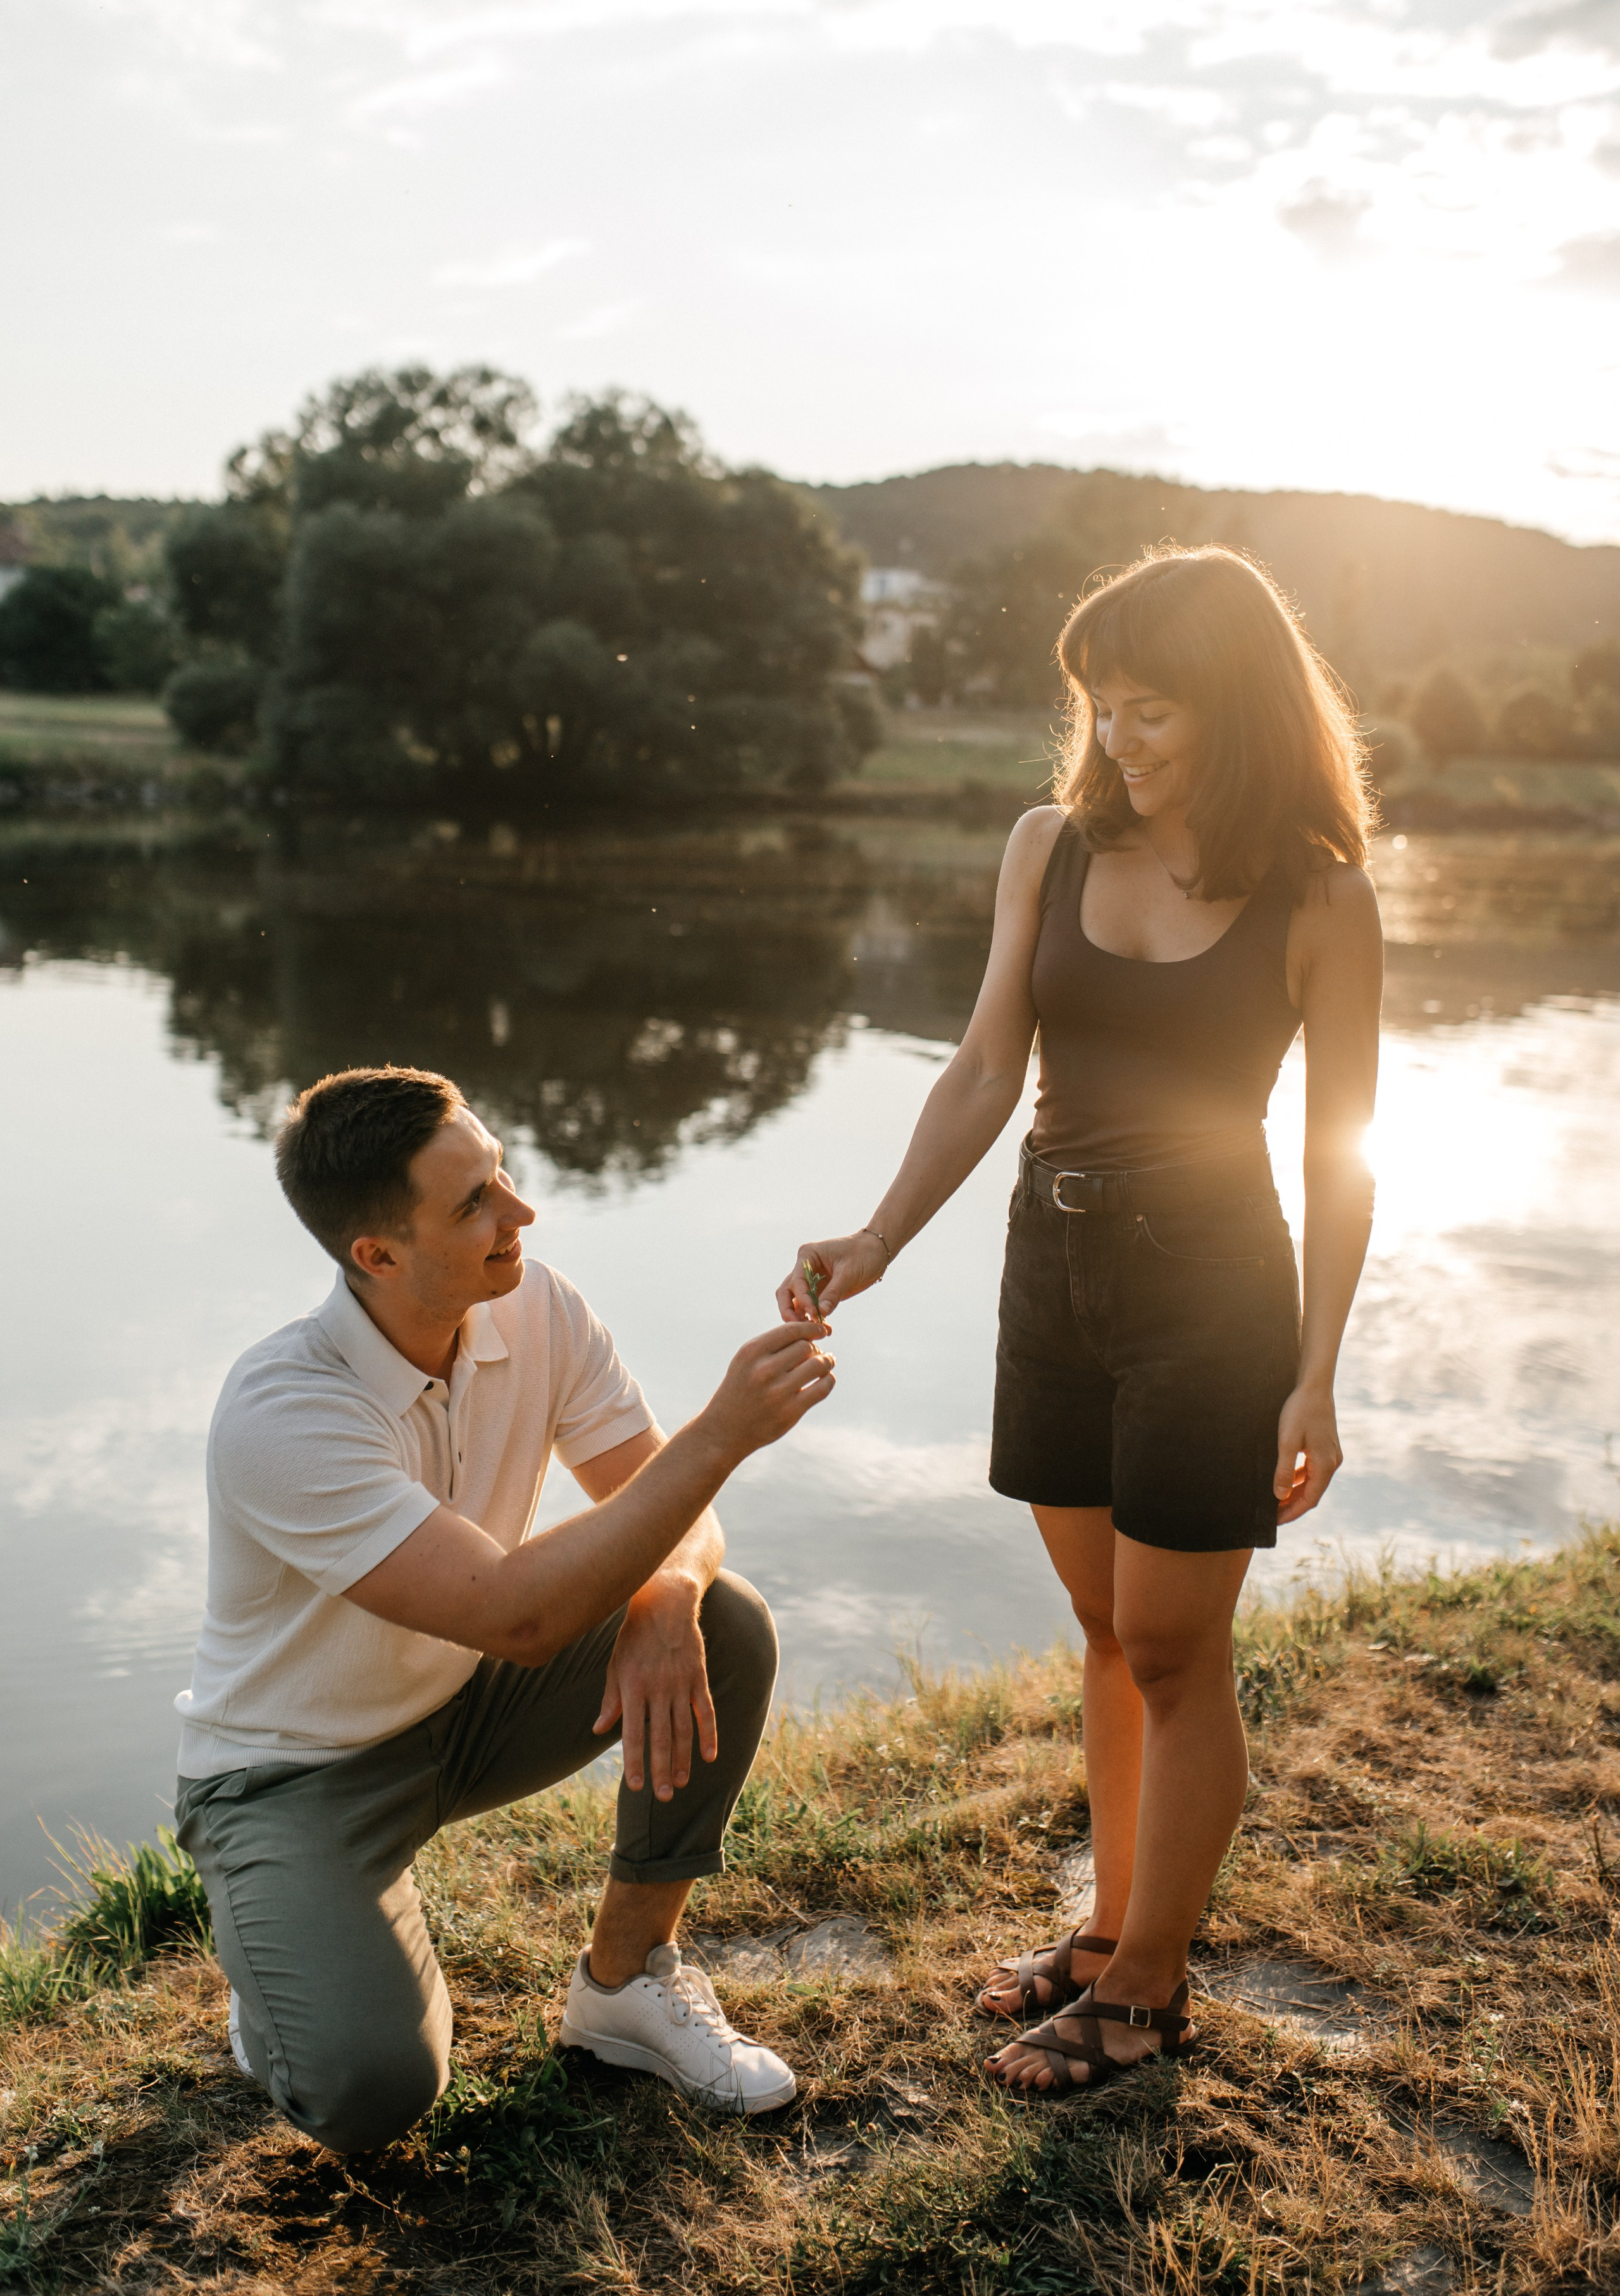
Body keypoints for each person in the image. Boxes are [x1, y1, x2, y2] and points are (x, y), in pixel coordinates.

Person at [779, 545, 1381, 2098]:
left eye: (1151, 707)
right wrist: (877, 1235)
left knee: (1177, 1648)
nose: (1117, 736)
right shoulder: (1046, 847)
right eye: (1102, 705)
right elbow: (987, 1064)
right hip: (1047, 1269)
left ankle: (1148, 1990)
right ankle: (1112, 1926)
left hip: (1211, 1288)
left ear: (1235, 704)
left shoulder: (1318, 893)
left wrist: (1316, 1372)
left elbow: (1339, 1151)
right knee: (1107, 1628)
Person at [175, 1064, 833, 2150]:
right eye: (475, 1202)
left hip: (467, 1711)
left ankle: (626, 1984)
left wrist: (668, 1591)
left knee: (722, 1620)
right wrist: (723, 1434)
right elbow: (515, 1615)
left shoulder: (535, 1304)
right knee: (374, 2090)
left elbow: (661, 1503)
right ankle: (287, 1979)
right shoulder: (284, 1412)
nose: (521, 1212)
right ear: (377, 1256)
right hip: (293, 1776)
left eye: (502, 1173)